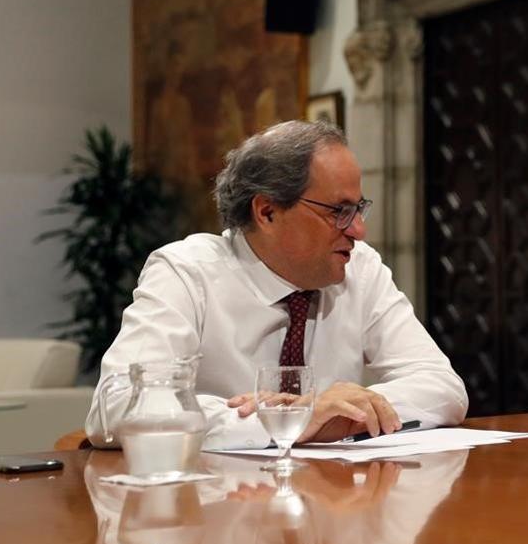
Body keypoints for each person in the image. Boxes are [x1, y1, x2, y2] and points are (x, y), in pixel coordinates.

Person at [86, 121, 468, 449]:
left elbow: (443, 388)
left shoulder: (361, 269)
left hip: (333, 511)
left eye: (358, 209)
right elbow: (118, 406)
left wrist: (340, 410)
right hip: (216, 516)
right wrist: (290, 418)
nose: (358, 231)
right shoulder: (187, 273)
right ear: (267, 212)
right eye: (339, 212)